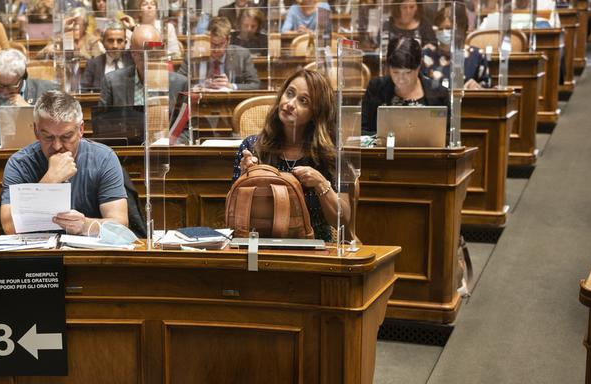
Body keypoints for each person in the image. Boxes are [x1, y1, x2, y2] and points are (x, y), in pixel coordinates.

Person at [232, 69, 350, 242]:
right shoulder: (252, 146)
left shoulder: (331, 154)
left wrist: (321, 183)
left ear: (315, 113)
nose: (290, 104)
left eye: (303, 101)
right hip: (261, 246)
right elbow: (236, 213)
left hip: (315, 248)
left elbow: (343, 219)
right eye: (289, 94)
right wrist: (246, 177)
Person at [0, 90, 129, 235]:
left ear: (81, 129)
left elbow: (120, 225)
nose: (57, 146)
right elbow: (9, 227)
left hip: (87, 253)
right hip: (37, 254)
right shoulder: (19, 164)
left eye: (66, 136)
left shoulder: (104, 158)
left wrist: (85, 225)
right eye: (48, 137)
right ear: (36, 131)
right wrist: (50, 181)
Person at [360, 37, 449, 135]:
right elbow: (362, 130)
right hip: (384, 149)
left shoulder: (439, 93)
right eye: (395, 72)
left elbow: (447, 136)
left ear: (418, 66)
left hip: (427, 149)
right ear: (389, 67)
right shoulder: (376, 88)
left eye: (407, 72)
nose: (401, 79)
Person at [0, 49, 61, 144]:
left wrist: (29, 110)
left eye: (10, 86)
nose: (5, 91)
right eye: (0, 85)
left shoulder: (48, 91)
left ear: (23, 77)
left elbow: (57, 125)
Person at [99, 24, 188, 109]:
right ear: (133, 53)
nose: (149, 60)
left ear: (162, 51)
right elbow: (102, 122)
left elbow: (185, 123)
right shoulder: (112, 82)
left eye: (154, 54)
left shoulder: (180, 84)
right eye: (143, 55)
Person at [180, 17, 260, 90]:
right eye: (213, 44)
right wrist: (199, 86)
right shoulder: (193, 55)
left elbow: (255, 84)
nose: (216, 49)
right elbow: (179, 83)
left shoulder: (242, 55)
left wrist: (231, 86)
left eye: (221, 44)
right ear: (206, 39)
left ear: (228, 40)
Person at [422, 5, 490, 89]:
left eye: (448, 28)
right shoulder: (426, 54)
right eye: (440, 29)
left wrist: (477, 87)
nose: (444, 32)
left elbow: (487, 87)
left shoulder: (476, 55)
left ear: (460, 29)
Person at [81, 21, 134, 91]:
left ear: (125, 43)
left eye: (119, 41)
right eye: (110, 41)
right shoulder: (93, 64)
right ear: (103, 43)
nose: (115, 46)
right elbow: (83, 92)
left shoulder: (133, 59)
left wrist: (133, 28)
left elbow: (147, 45)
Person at [37, 7, 105, 60]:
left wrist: (79, 54)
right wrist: (46, 51)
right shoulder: (60, 37)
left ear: (85, 26)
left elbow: (98, 60)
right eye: (72, 23)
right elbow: (38, 55)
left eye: (78, 24)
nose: (74, 27)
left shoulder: (92, 40)